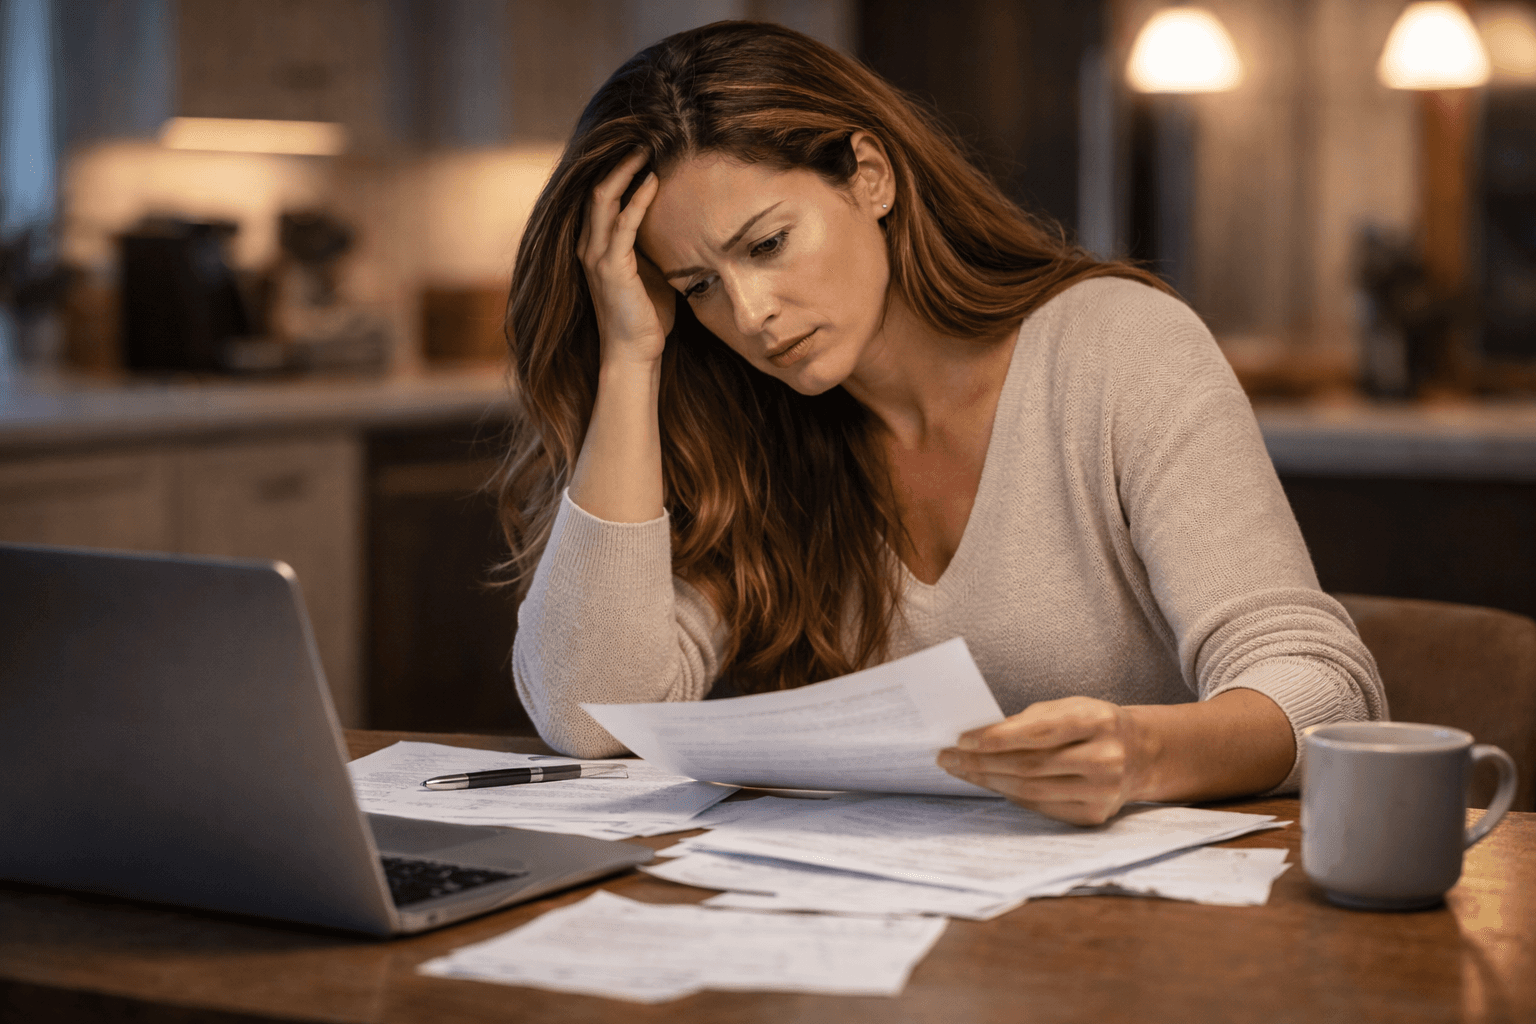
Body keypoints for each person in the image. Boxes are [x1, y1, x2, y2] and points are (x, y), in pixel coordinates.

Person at [496, 21, 1385, 826]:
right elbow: (590, 717)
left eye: (766, 245)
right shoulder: (747, 428)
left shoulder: (1117, 350)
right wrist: (630, 357)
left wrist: (1141, 754)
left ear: (869, 177)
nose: (751, 313)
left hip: (1133, 938)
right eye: (697, 288)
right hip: (868, 940)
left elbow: (1326, 694)